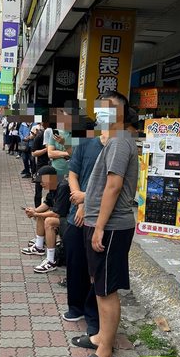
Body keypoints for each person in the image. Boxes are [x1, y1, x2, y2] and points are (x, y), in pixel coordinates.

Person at [74, 91, 138, 357]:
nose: (101, 114)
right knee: (99, 284)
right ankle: (101, 336)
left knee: (106, 289)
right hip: (101, 224)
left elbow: (113, 186)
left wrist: (99, 227)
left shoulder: (120, 140)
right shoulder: (113, 139)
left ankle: (106, 351)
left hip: (111, 227)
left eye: (108, 109)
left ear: (120, 112)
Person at [62, 122, 103, 333]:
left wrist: (86, 202)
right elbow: (73, 174)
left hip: (100, 217)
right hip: (76, 215)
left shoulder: (117, 148)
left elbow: (112, 187)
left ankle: (93, 314)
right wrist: (79, 204)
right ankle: (75, 306)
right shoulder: (85, 145)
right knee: (74, 260)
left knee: (95, 268)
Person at [21, 166, 70, 273]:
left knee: (49, 221)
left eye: (42, 181)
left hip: (71, 220)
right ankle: (39, 247)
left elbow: (57, 213)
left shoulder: (63, 187)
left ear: (51, 178)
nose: (41, 184)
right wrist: (34, 211)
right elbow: (47, 203)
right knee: (41, 214)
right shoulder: (54, 185)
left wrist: (36, 214)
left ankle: (51, 261)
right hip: (63, 217)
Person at [47, 108, 72, 181]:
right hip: (56, 170)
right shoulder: (56, 132)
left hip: (72, 173)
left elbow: (76, 154)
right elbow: (50, 153)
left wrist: (64, 144)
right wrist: (66, 154)